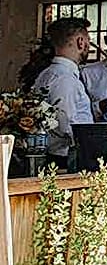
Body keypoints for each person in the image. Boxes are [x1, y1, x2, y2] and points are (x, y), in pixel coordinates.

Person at [21, 17, 94, 165]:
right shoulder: (65, 78)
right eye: (88, 40)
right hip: (64, 157)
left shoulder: (46, 74)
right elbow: (64, 122)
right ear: (81, 42)